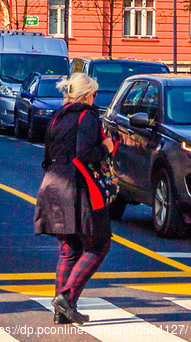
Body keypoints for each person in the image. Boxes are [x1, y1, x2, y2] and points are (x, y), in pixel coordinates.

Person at [34, 73, 114, 326]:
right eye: (94, 94)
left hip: (52, 184)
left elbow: (48, 153)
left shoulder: (58, 116)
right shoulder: (87, 116)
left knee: (68, 250)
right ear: (87, 94)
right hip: (78, 188)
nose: (95, 98)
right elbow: (86, 153)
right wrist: (107, 148)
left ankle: (62, 312)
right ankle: (66, 299)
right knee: (98, 244)